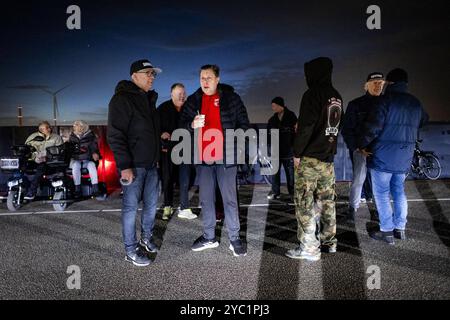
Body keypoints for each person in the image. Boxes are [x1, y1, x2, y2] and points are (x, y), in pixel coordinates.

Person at [180, 64, 250, 257]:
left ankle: (234, 238)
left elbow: (244, 125)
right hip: (203, 159)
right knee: (206, 199)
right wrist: (191, 124)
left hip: (226, 157)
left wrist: (234, 144)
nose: (205, 82)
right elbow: (182, 125)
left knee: (230, 200)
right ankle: (209, 237)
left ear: (217, 79)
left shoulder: (231, 98)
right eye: (202, 78)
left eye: (209, 78)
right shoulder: (194, 100)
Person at [358, 68, 428, 244]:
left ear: (389, 83)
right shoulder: (415, 103)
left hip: (382, 156)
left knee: (381, 194)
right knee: (399, 191)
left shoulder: (384, 101)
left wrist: (362, 145)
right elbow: (424, 120)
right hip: (404, 157)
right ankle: (400, 228)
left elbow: (372, 128)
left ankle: (387, 231)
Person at [286, 57, 343, 261]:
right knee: (327, 202)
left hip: (310, 159)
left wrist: (297, 153)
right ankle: (329, 242)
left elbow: (306, 127)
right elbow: (336, 128)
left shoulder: (312, 94)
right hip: (328, 160)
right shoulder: (336, 96)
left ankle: (310, 248)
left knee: (304, 202)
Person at [107, 59, 162, 267]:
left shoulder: (149, 100)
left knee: (151, 207)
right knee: (130, 208)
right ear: (134, 76)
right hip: (134, 166)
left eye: (153, 74)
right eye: (147, 73)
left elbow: (149, 133)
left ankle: (146, 239)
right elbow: (115, 135)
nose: (151, 77)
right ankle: (130, 250)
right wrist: (124, 165)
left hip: (151, 165)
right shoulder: (121, 100)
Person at [341, 72, 385, 222]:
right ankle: (352, 210)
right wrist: (357, 148)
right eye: (375, 83)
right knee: (359, 180)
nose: (378, 85)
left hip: (381, 152)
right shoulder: (355, 104)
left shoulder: (387, 103)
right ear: (366, 86)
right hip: (361, 151)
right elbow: (347, 129)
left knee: (377, 183)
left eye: (381, 83)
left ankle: (374, 212)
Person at [158, 83, 197, 220]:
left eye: (183, 94)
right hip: (168, 150)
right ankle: (167, 207)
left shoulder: (189, 108)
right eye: (179, 94)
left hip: (185, 148)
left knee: (185, 179)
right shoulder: (162, 108)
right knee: (168, 179)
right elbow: (155, 127)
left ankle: (184, 207)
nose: (182, 96)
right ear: (171, 94)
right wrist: (161, 133)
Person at [267, 96, 297, 201]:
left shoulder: (291, 116)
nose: (273, 108)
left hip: (288, 151)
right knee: (275, 173)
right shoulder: (272, 120)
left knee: (290, 173)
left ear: (280, 105)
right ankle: (275, 192)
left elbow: (296, 132)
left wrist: (294, 148)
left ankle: (292, 193)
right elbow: (268, 135)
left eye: (274, 106)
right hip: (276, 151)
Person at [24, 121, 63, 200]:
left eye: (49, 127)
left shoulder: (56, 137)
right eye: (47, 128)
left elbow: (61, 151)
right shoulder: (33, 137)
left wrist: (48, 157)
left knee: (41, 167)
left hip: (48, 162)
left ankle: (32, 192)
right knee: (21, 166)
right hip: (34, 160)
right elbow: (26, 149)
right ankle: (18, 190)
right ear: (41, 130)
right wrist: (35, 156)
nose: (50, 129)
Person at [69, 120, 101, 198]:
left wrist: (94, 153)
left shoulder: (90, 136)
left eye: (76, 125)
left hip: (87, 159)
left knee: (92, 165)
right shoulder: (72, 137)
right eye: (74, 125)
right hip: (77, 159)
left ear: (82, 127)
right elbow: (70, 148)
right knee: (76, 165)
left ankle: (95, 189)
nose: (74, 126)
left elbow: (94, 147)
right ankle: (77, 189)